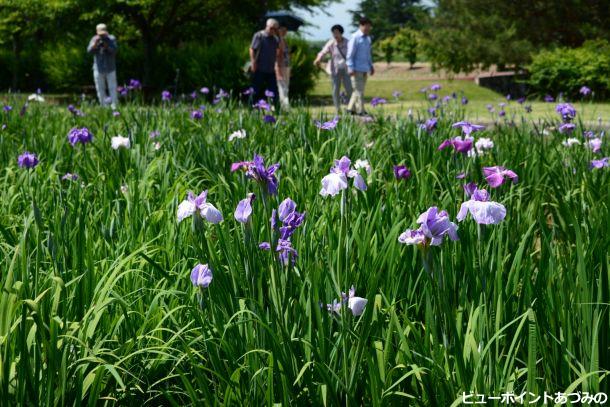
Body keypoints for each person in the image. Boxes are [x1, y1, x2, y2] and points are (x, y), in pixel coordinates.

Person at [314, 24, 352, 114]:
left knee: (349, 88)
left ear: (341, 33)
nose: (335, 35)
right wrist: (318, 59)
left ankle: (350, 107)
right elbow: (323, 51)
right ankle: (337, 108)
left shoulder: (348, 42)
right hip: (335, 70)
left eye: (337, 32)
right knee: (335, 89)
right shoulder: (331, 43)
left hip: (346, 69)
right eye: (333, 33)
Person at [346, 17, 374, 115]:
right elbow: (350, 55)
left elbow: (368, 54)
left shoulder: (368, 39)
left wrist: (371, 66)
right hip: (355, 69)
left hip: (365, 68)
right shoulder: (355, 37)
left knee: (358, 90)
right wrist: (350, 67)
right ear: (361, 26)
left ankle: (350, 109)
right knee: (359, 90)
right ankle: (360, 110)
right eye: (366, 26)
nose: (367, 28)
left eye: (369, 26)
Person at [249, 19, 282, 103]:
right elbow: (252, 49)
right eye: (271, 28)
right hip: (259, 68)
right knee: (255, 90)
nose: (273, 30)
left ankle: (277, 110)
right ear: (267, 26)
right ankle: (251, 109)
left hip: (270, 69)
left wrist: (277, 66)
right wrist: (253, 62)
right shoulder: (259, 35)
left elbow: (278, 52)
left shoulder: (275, 39)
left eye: (275, 29)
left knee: (274, 91)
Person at [87, 23, 118, 109]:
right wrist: (95, 44)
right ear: (97, 32)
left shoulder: (112, 39)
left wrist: (107, 46)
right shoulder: (94, 39)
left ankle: (114, 107)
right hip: (98, 68)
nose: (102, 36)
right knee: (100, 89)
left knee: (112, 88)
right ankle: (103, 107)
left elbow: (115, 51)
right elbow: (89, 51)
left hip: (110, 67)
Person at [276, 25, 291, 110]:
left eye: (286, 30)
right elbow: (277, 56)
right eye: (283, 30)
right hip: (280, 66)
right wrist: (278, 70)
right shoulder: (277, 41)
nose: (285, 32)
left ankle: (284, 105)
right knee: (282, 87)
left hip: (286, 66)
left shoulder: (284, 40)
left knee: (286, 87)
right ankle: (284, 106)